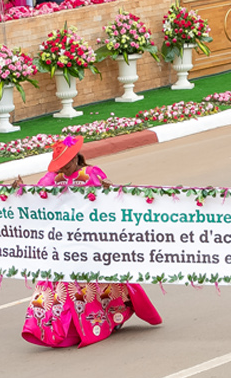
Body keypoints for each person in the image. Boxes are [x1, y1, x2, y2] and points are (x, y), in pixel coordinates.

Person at [21, 137, 163, 347]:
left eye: (66, 163)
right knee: (58, 284)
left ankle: (108, 316)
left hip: (89, 239)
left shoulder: (92, 174)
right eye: (60, 164)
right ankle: (50, 327)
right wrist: (20, 192)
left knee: (98, 282)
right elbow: (37, 197)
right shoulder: (53, 177)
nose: (63, 168)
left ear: (76, 159)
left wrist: (109, 190)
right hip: (62, 240)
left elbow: (109, 201)